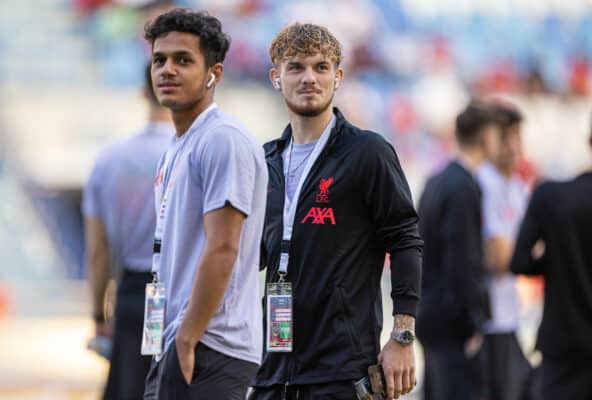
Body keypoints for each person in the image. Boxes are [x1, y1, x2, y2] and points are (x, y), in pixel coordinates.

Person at [251, 23, 423, 400]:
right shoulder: (263, 161)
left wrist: (402, 336)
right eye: (295, 67)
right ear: (276, 78)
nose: (309, 78)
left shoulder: (367, 153)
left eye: (321, 67)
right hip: (272, 370)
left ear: (338, 77)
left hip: (341, 372)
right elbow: (249, 258)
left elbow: (406, 240)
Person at [142, 8, 268, 400]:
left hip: (211, 345)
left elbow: (223, 246)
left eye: (183, 60)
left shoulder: (222, 139)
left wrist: (189, 335)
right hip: (177, 340)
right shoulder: (178, 145)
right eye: (159, 60)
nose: (167, 70)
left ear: (213, 74)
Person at [82, 63, 172, 400]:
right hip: (183, 292)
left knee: (129, 388)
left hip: (134, 289)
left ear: (141, 93)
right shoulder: (193, 152)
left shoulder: (109, 159)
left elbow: (97, 250)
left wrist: (98, 314)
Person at [509, 113, 592, 400]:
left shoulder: (551, 196)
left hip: (564, 347)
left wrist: (556, 261)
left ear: (590, 142)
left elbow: (519, 262)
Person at [416, 101, 501, 400]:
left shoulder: (435, 180)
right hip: (452, 323)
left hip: (428, 313)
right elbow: (463, 261)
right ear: (487, 136)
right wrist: (471, 323)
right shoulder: (464, 187)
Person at [476, 101, 531, 400]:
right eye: (505, 137)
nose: (513, 146)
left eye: (517, 136)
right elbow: (497, 258)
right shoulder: (483, 183)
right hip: (488, 321)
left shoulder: (519, 186)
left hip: (511, 315)